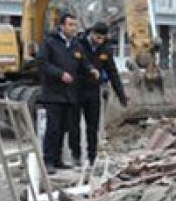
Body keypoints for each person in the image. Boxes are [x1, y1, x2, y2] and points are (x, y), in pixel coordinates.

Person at [36, 13, 96, 173]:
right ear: (62, 26)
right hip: (53, 93)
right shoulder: (50, 42)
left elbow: (83, 62)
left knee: (64, 128)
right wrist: (59, 74)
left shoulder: (76, 45)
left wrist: (92, 70)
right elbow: (42, 63)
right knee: (53, 128)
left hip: (69, 94)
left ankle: (58, 159)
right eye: (70, 25)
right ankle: (48, 160)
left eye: (74, 25)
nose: (73, 28)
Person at [76, 21, 127, 166]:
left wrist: (121, 94)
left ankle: (92, 157)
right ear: (91, 33)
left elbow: (112, 72)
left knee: (93, 126)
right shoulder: (79, 44)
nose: (100, 41)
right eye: (97, 37)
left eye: (102, 38)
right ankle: (76, 156)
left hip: (93, 91)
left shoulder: (105, 49)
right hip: (77, 89)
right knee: (73, 125)